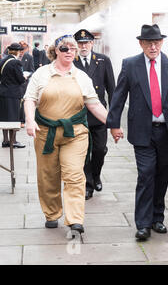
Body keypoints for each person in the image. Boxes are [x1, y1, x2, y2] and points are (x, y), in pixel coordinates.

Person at [107, 24, 168, 241]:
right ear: (141, 44)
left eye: (156, 42)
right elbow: (118, 96)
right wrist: (114, 124)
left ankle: (157, 218)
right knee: (146, 175)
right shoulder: (130, 65)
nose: (153, 46)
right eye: (148, 43)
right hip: (143, 131)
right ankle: (143, 224)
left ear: (162, 42)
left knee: (162, 175)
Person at [23, 35, 108, 235]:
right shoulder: (42, 74)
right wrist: (29, 119)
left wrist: (112, 124)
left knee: (74, 175)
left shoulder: (81, 77)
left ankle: (75, 219)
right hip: (45, 132)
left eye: (72, 48)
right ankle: (52, 213)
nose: (69, 51)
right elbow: (29, 99)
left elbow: (94, 104)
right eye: (64, 48)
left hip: (75, 133)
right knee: (48, 176)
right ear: (55, 51)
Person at [73, 29, 116, 200]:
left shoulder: (103, 60)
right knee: (83, 152)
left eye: (86, 42)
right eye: (80, 43)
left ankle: (96, 174)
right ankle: (88, 184)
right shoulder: (71, 60)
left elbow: (112, 89)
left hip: (99, 114)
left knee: (99, 149)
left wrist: (113, 116)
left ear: (92, 43)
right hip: (78, 114)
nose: (83, 46)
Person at [0, 43, 27, 148]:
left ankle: (5, 140)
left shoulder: (2, 60)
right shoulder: (16, 63)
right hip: (13, 93)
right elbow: (20, 79)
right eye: (20, 51)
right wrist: (24, 77)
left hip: (3, 92)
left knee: (5, 118)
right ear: (18, 51)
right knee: (13, 118)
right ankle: (13, 141)